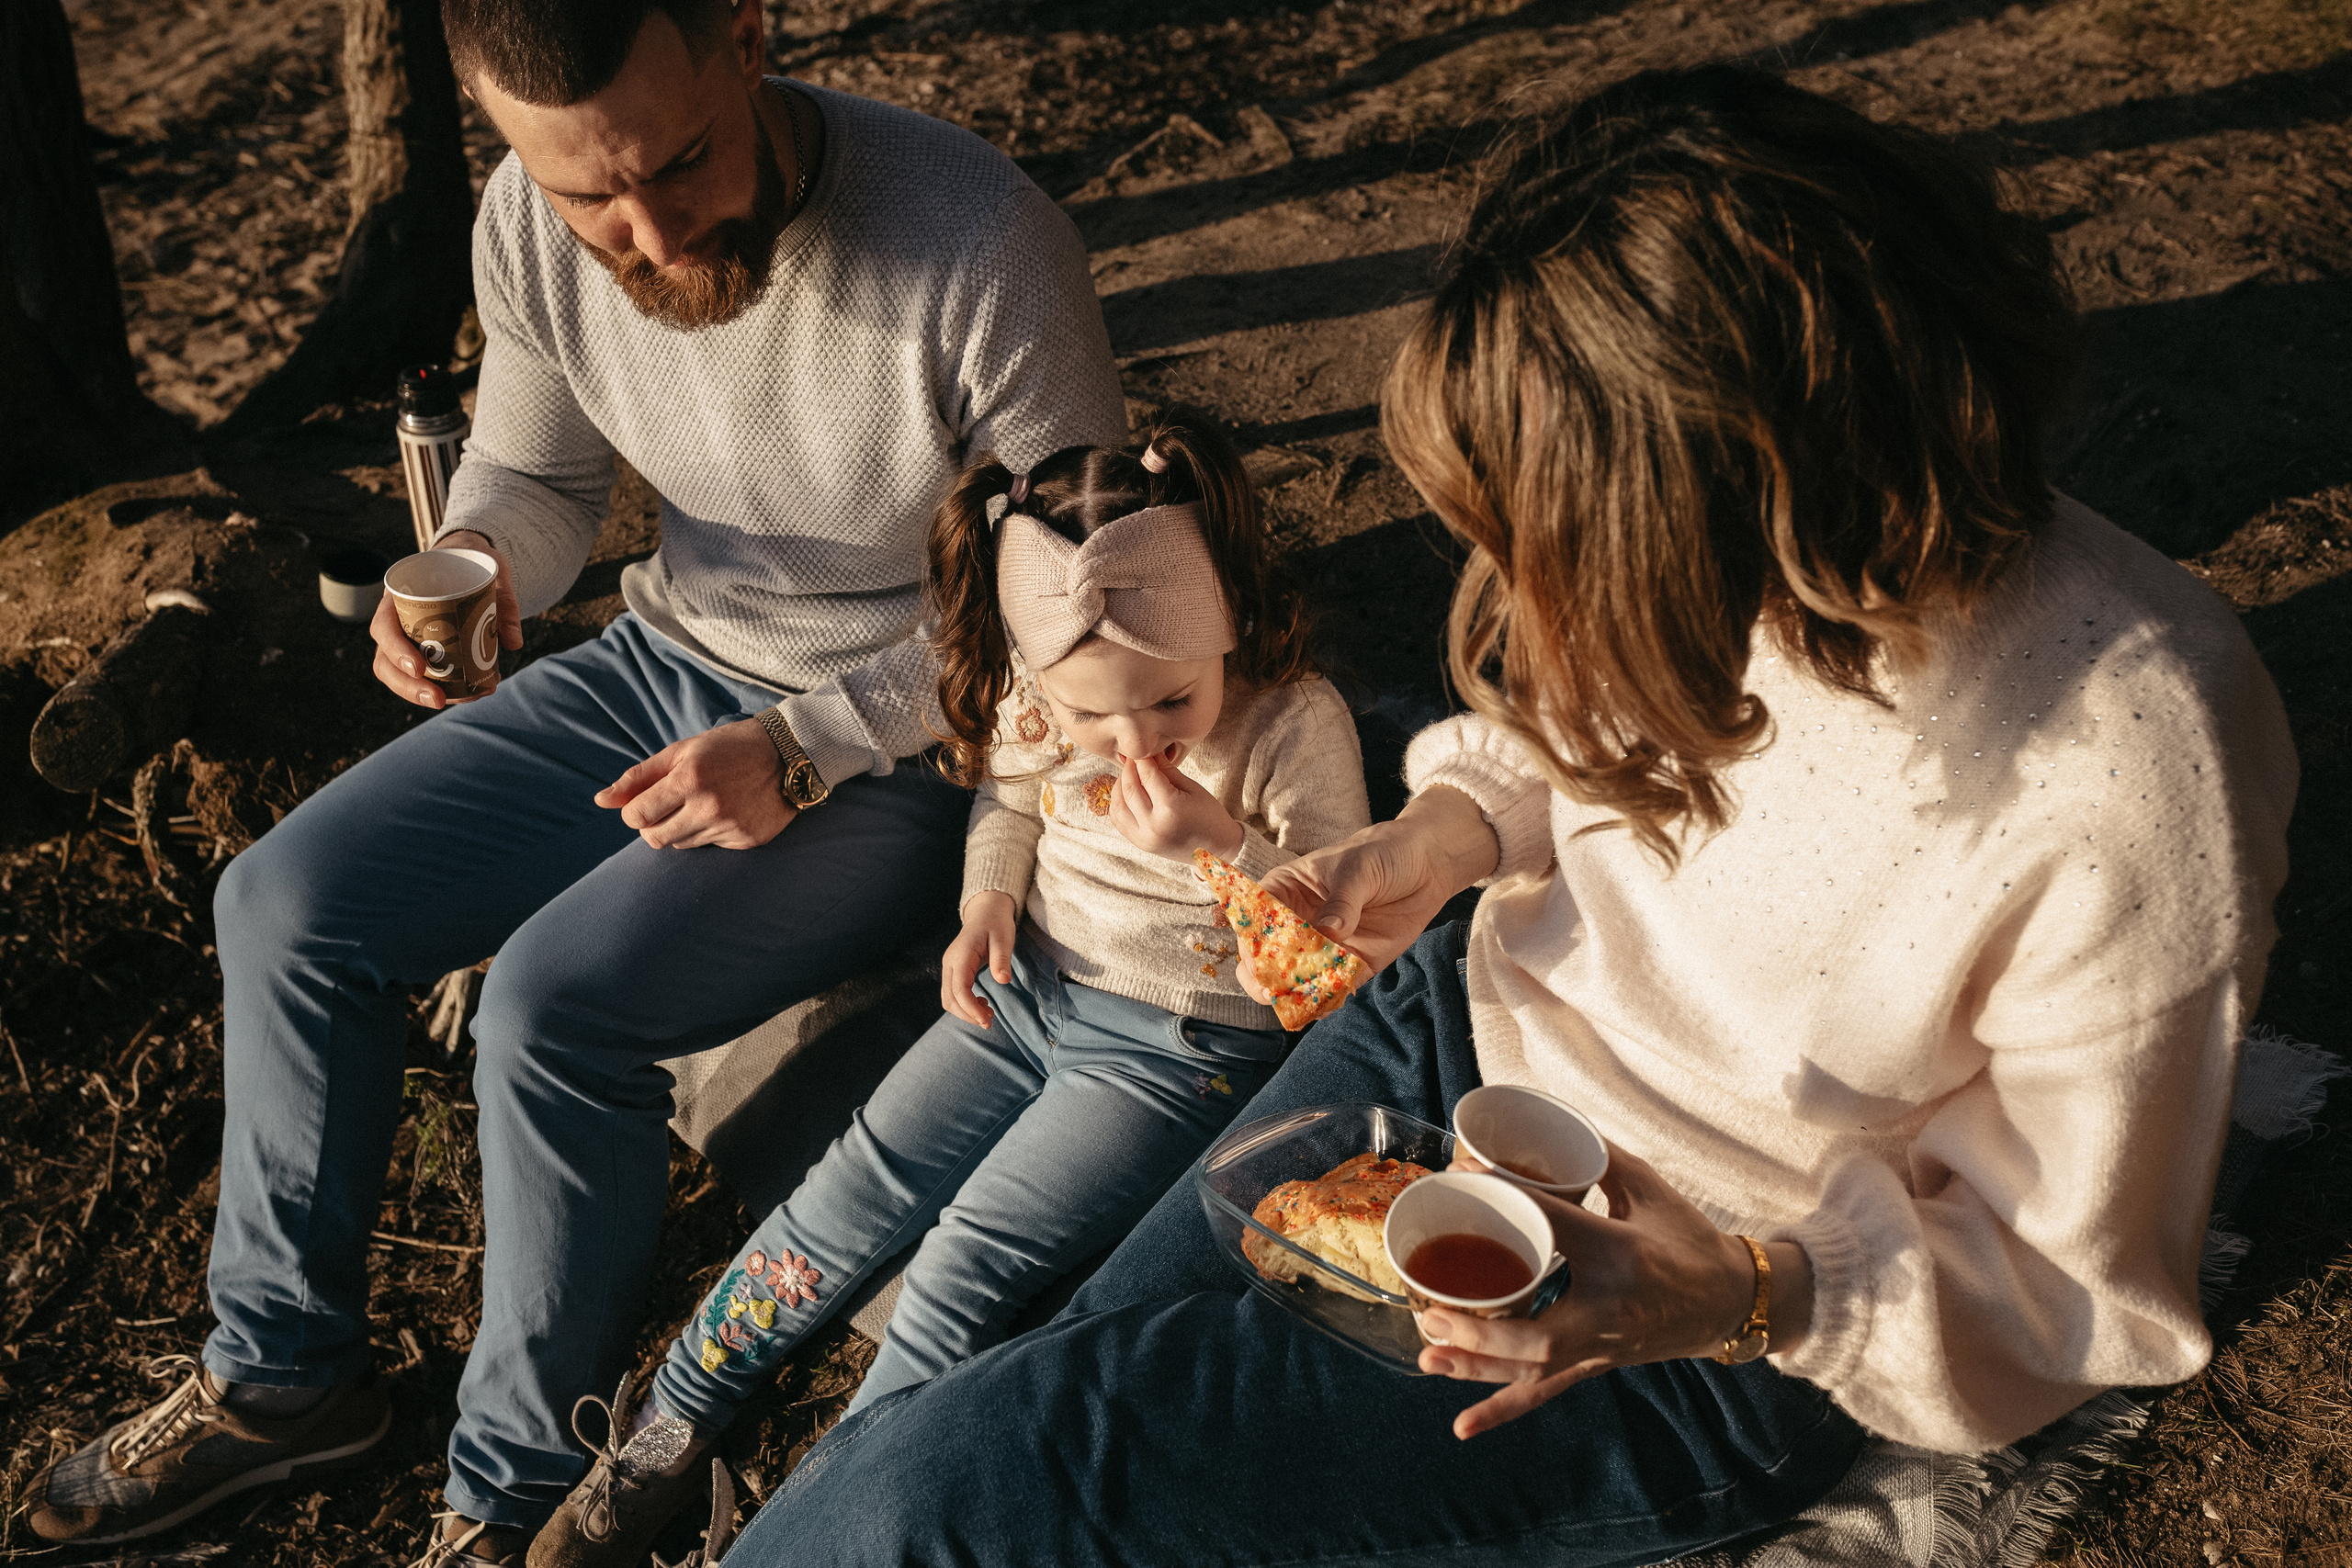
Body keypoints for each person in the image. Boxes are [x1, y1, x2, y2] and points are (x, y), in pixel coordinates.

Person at [715, 64, 2299, 1568]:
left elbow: (2078, 1285)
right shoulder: (1701, 540)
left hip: (1707, 1306)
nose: (1531, 593)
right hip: (1457, 1040)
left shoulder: (2131, 755)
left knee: (948, 1488)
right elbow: (1553, 730)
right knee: (1052, 1400)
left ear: (1768, 488)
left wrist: (1746, 1291)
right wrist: (1448, 837)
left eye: (1566, 542)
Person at [24, 0, 1123, 1560]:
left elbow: (1080, 600)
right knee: (285, 898)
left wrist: (809, 750)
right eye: (586, 194)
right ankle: (282, 1379)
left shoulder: (978, 241)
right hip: (667, 660)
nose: (650, 231)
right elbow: (536, 480)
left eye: (679, 165)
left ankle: (511, 1487)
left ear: (748, 39)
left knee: (551, 1007)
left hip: (924, 729)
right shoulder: (527, 225)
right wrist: (469, 569)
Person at [530, 416, 1371, 1564]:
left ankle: (820, 1525)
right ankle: (674, 1420)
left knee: (969, 1263)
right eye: (1093, 717)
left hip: (1178, 1042)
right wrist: (986, 905)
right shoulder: (1042, 681)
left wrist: (1217, 844)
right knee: (845, 1196)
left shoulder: (1292, 722)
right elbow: (1011, 801)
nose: (1133, 742)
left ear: (1224, 616)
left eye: (1173, 704)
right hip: (1023, 982)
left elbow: (1342, 945)